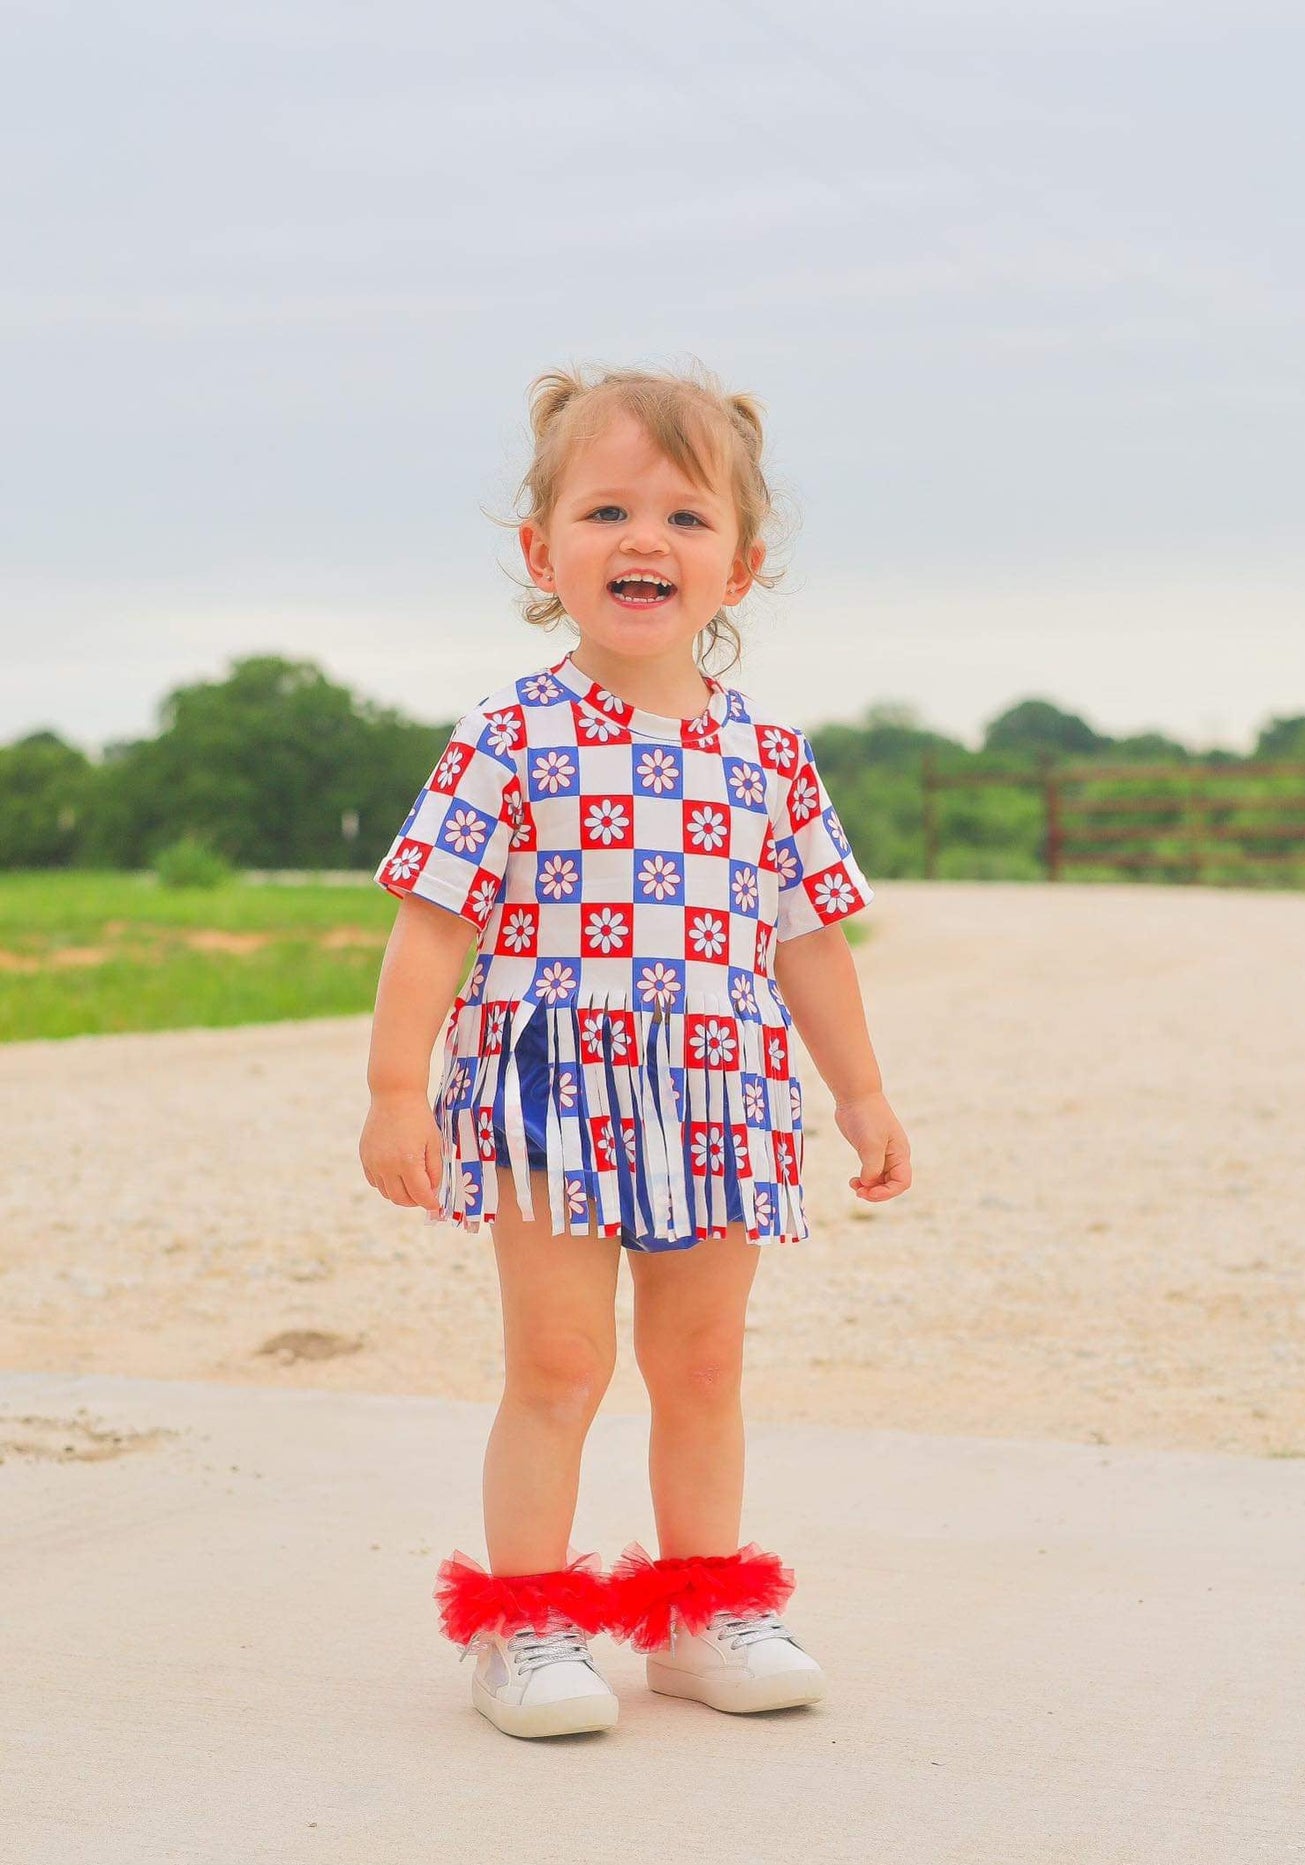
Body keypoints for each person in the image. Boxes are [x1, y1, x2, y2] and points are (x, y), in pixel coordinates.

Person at [359, 362, 912, 1739]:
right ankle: (526, 1622)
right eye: (605, 510)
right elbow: (430, 929)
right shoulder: (510, 735)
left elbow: (809, 946)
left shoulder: (772, 760)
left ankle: (698, 1612)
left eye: (684, 515)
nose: (644, 539)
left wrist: (861, 1091)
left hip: (721, 1091)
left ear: (743, 562)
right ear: (545, 552)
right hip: (550, 1088)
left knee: (703, 1366)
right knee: (557, 1365)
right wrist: (392, 1091)